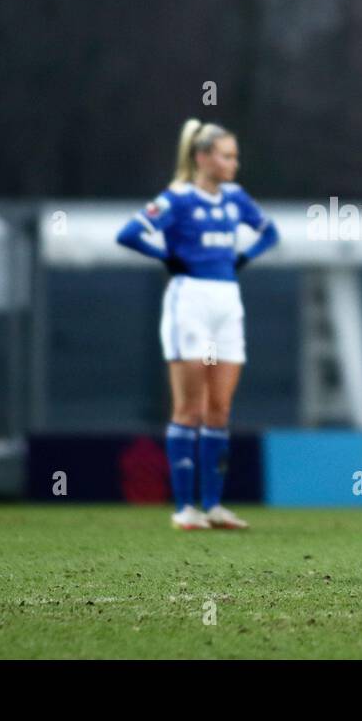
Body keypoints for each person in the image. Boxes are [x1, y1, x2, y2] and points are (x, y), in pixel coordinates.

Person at [115, 120, 278, 530]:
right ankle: (185, 508)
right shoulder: (179, 199)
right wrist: (167, 258)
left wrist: (243, 258)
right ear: (202, 157)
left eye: (235, 155)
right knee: (189, 408)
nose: (233, 163)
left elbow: (269, 232)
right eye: (226, 155)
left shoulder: (236, 199)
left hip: (227, 302)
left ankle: (214, 506)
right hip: (190, 300)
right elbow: (130, 233)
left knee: (219, 409)